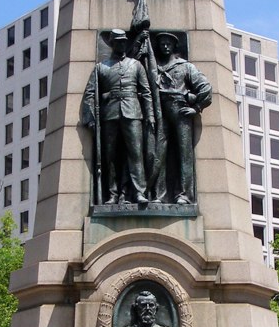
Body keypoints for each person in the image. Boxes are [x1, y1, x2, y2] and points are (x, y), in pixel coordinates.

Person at [81, 29, 153, 206]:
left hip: (133, 113)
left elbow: (146, 92)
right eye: (118, 41)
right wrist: (90, 118)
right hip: (110, 115)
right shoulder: (101, 67)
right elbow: (90, 93)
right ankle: (112, 194)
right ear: (112, 44)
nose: (122, 44)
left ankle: (138, 192)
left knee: (135, 154)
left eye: (124, 41)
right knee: (110, 157)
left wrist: (150, 114)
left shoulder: (136, 65)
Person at [151, 32, 212, 204]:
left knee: (184, 153)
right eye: (162, 43)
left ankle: (184, 194)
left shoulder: (185, 67)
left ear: (174, 46)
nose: (164, 46)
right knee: (158, 153)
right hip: (159, 111)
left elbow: (205, 88)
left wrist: (196, 107)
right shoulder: (153, 67)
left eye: (168, 43)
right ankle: (158, 195)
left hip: (180, 111)